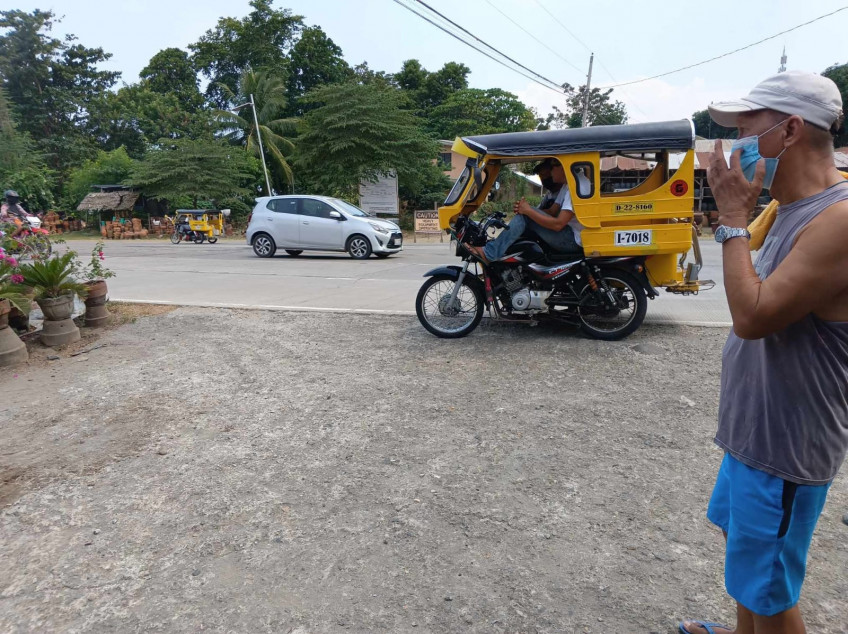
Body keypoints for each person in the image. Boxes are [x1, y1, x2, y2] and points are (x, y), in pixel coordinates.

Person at [680, 71, 847, 634]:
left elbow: (752, 316)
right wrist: (740, 219)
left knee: (770, 588)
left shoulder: (839, 220)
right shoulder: (787, 207)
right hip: (755, 434)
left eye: (746, 130)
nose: (736, 146)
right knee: (748, 563)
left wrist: (731, 219)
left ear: (791, 130)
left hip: (786, 447)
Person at [466, 160, 585, 262]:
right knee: (526, 215)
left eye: (551, 169)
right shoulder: (567, 185)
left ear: (562, 167)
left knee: (525, 216)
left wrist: (528, 212)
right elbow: (551, 212)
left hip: (572, 240)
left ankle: (489, 253)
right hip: (569, 234)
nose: (550, 173)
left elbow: (558, 224)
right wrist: (526, 209)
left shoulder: (576, 186)